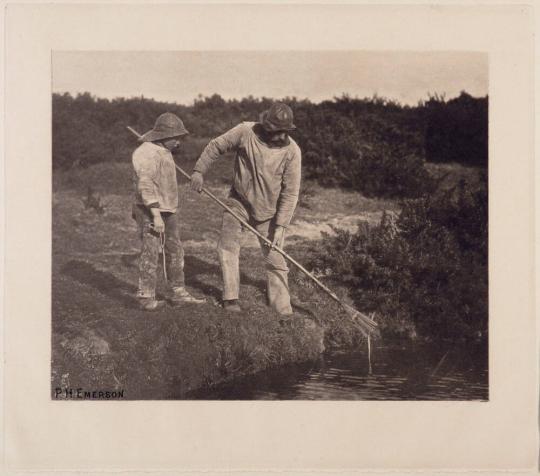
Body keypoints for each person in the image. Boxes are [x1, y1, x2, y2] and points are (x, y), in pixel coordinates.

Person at [190, 102, 301, 316]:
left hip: (269, 212)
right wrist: (198, 171)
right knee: (228, 246)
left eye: (284, 132)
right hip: (238, 202)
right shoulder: (245, 131)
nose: (280, 136)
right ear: (266, 126)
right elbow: (216, 146)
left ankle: (282, 309)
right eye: (276, 131)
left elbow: (291, 192)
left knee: (276, 258)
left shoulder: (292, 152)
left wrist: (281, 226)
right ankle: (231, 299)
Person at [132, 112, 205, 311]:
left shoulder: (164, 151)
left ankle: (178, 292)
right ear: (164, 137)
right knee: (151, 250)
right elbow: (145, 186)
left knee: (175, 249)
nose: (179, 142)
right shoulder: (145, 153)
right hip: (149, 209)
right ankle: (146, 297)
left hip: (168, 209)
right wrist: (155, 216)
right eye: (176, 138)